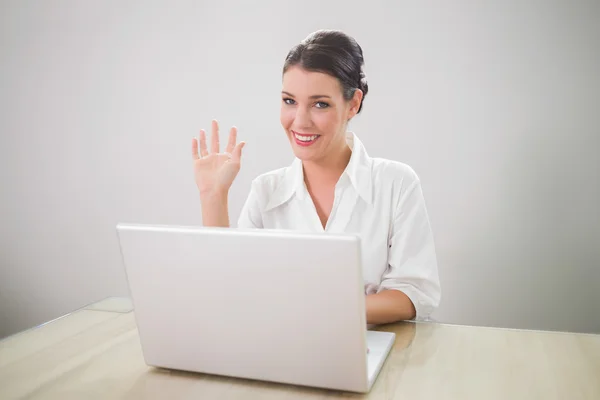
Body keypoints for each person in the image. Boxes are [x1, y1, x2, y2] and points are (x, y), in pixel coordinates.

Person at [191, 30, 441, 325]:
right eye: (289, 101)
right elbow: (231, 292)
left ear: (353, 104)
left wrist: (320, 310)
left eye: (320, 104)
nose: (300, 121)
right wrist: (213, 197)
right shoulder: (266, 191)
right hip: (284, 351)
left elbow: (413, 293)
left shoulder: (395, 183)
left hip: (375, 350)